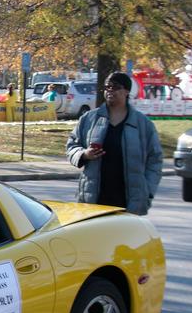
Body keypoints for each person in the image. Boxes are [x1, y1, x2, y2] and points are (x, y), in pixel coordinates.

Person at [65, 71, 163, 215]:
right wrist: (84, 154)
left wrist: (147, 191)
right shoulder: (89, 119)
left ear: (127, 91)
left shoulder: (143, 124)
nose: (110, 90)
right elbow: (71, 146)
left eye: (115, 87)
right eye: (107, 87)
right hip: (93, 200)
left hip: (129, 203)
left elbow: (155, 160)